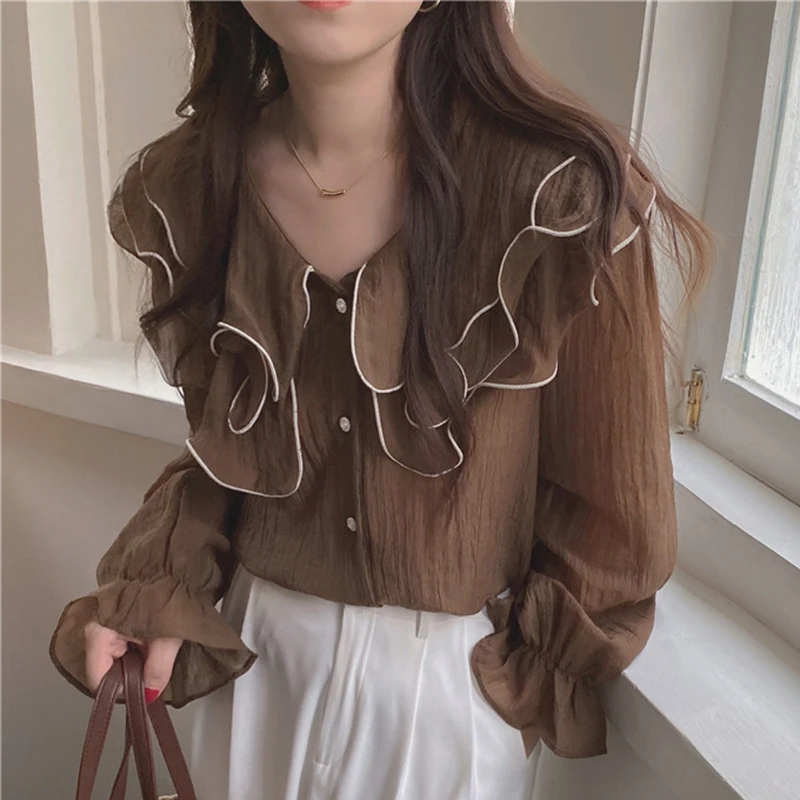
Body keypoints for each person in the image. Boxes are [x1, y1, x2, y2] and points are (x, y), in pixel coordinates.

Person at [50, 2, 713, 798]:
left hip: (447, 707)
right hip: (252, 676)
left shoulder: (562, 197)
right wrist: (159, 587)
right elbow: (229, 454)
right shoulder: (192, 189)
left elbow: (614, 522)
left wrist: (502, 691)